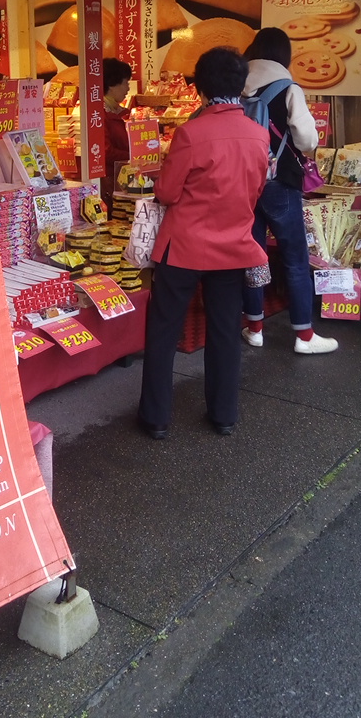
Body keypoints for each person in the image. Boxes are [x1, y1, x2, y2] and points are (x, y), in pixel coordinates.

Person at [138, 46, 269, 439]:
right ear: (240, 86)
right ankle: (223, 414)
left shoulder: (191, 133)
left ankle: (156, 418)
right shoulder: (258, 135)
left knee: (164, 330)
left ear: (201, 89)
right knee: (226, 330)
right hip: (233, 247)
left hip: (183, 247)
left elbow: (166, 193)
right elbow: (256, 190)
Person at [241, 27, 338, 355]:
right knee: (295, 258)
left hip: (244, 183)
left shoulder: (237, 85)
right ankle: (304, 336)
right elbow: (307, 138)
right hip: (280, 182)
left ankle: (255, 328)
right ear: (284, 54)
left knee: (253, 255)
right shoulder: (287, 87)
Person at [101, 57, 133, 206]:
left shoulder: (121, 112)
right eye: (125, 82)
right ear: (112, 85)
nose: (128, 88)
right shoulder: (100, 114)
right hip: (110, 182)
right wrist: (134, 156)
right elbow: (106, 151)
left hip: (124, 178)